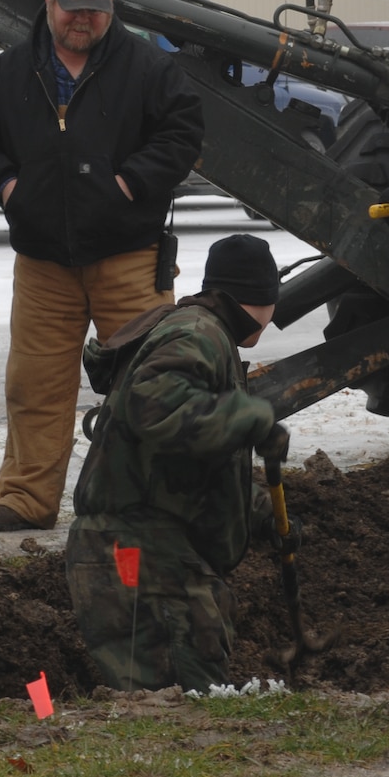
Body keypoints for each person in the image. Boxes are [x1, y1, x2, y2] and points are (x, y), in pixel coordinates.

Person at [0, 0, 206, 533]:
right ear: (49, 1)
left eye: (94, 10)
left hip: (130, 259)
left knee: (149, 383)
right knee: (35, 384)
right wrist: (10, 187)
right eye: (73, 9)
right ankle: (26, 497)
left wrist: (128, 183)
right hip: (43, 265)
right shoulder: (11, 72)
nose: (82, 21)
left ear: (110, 8)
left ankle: (153, 501)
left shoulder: (149, 69)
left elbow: (182, 133)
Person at [65, 234, 289, 692]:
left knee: (171, 707)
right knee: (177, 706)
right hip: (137, 561)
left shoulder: (196, 330)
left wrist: (260, 515)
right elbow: (154, 404)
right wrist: (251, 416)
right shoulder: (198, 334)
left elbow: (183, 462)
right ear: (261, 300)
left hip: (136, 552)